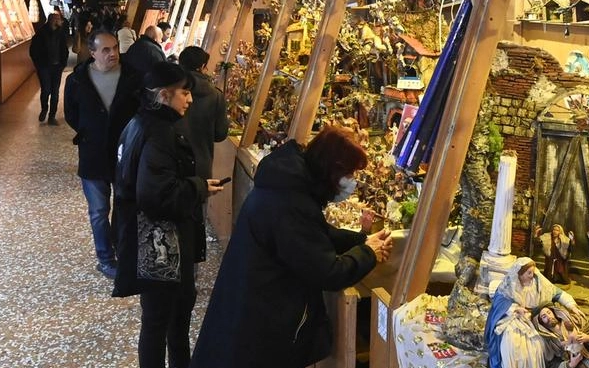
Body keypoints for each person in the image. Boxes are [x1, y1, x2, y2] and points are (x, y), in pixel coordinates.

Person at [189, 125, 393, 368]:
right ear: (332, 170)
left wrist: (359, 241)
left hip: (249, 309)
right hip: (261, 327)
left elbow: (317, 232)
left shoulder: (289, 186)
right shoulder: (290, 203)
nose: (352, 182)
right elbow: (328, 272)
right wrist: (368, 253)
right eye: (350, 174)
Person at [111, 62, 224, 368]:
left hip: (147, 242)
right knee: (165, 321)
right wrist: (198, 187)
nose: (190, 100)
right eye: (184, 93)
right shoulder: (159, 133)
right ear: (163, 95)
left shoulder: (139, 123)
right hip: (162, 249)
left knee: (159, 321)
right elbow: (156, 196)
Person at [64, 30, 141, 279]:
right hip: (93, 155)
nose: (112, 54)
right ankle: (105, 259)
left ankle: (123, 250)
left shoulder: (132, 77)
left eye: (115, 48)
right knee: (98, 211)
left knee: (124, 205)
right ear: (93, 52)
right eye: (106, 50)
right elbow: (71, 115)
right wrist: (90, 133)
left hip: (124, 154)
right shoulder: (77, 80)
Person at [485, 257, 585, 368]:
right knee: (513, 343)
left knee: (537, 347)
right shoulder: (510, 285)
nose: (532, 275)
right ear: (520, 274)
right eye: (528, 273)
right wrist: (515, 308)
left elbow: (558, 293)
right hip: (515, 318)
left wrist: (572, 306)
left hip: (537, 320)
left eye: (533, 272)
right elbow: (499, 303)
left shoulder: (540, 283)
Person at [175, 46, 228, 179]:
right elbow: (220, 134)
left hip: (172, 161)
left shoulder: (172, 88)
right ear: (202, 66)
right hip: (200, 165)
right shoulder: (216, 95)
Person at [29, 12, 70, 125]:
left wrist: (63, 63)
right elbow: (33, 51)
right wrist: (38, 64)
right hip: (44, 67)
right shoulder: (41, 33)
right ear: (51, 20)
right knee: (46, 89)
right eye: (57, 19)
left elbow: (64, 50)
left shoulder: (60, 34)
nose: (59, 21)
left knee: (55, 92)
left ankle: (52, 116)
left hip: (57, 67)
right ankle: (44, 109)